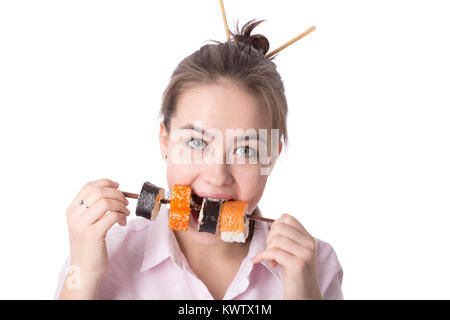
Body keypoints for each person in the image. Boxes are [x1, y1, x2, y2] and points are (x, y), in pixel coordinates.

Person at [55, 20, 344, 300]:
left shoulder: (314, 267)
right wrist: (80, 274)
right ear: (165, 141)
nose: (217, 176)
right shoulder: (106, 253)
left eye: (246, 150)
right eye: (196, 142)